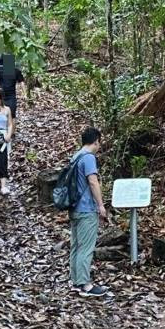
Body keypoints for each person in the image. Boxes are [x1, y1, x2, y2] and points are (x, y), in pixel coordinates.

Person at [68, 126, 110, 297]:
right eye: (99, 142)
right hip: (86, 208)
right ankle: (85, 284)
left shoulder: (76, 156)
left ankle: (76, 281)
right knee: (86, 247)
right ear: (96, 141)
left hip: (74, 207)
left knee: (76, 246)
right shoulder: (89, 158)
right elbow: (93, 182)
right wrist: (100, 205)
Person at [0, 53, 24, 122]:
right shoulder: (0, 70)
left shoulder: (16, 71)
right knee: (1, 114)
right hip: (1, 95)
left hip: (10, 96)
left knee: (11, 115)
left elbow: (21, 82)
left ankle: (11, 129)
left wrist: (24, 93)